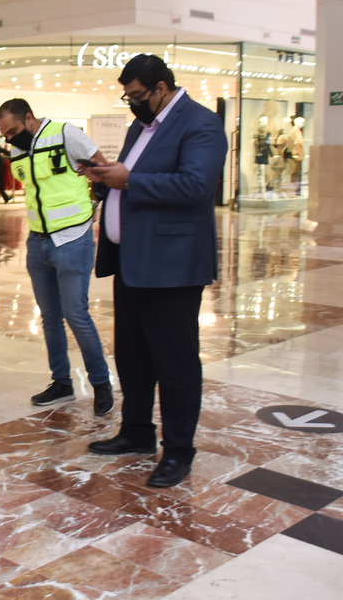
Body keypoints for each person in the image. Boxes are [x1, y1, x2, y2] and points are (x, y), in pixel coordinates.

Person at [85, 54, 227, 489]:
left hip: (172, 266)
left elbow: (196, 186)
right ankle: (137, 432)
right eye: (127, 97)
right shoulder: (141, 126)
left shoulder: (200, 124)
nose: (132, 103)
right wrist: (104, 181)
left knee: (174, 363)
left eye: (137, 95)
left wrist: (128, 181)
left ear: (161, 88)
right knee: (133, 355)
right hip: (131, 261)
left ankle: (179, 451)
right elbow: (130, 178)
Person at [0, 99, 113, 416]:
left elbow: (103, 170)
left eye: (13, 131)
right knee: (49, 317)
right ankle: (61, 382)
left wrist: (94, 204)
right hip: (37, 241)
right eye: (5, 135)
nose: (9, 139)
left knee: (76, 314)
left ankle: (101, 382)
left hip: (73, 239)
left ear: (29, 118)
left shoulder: (65, 134)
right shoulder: (18, 150)